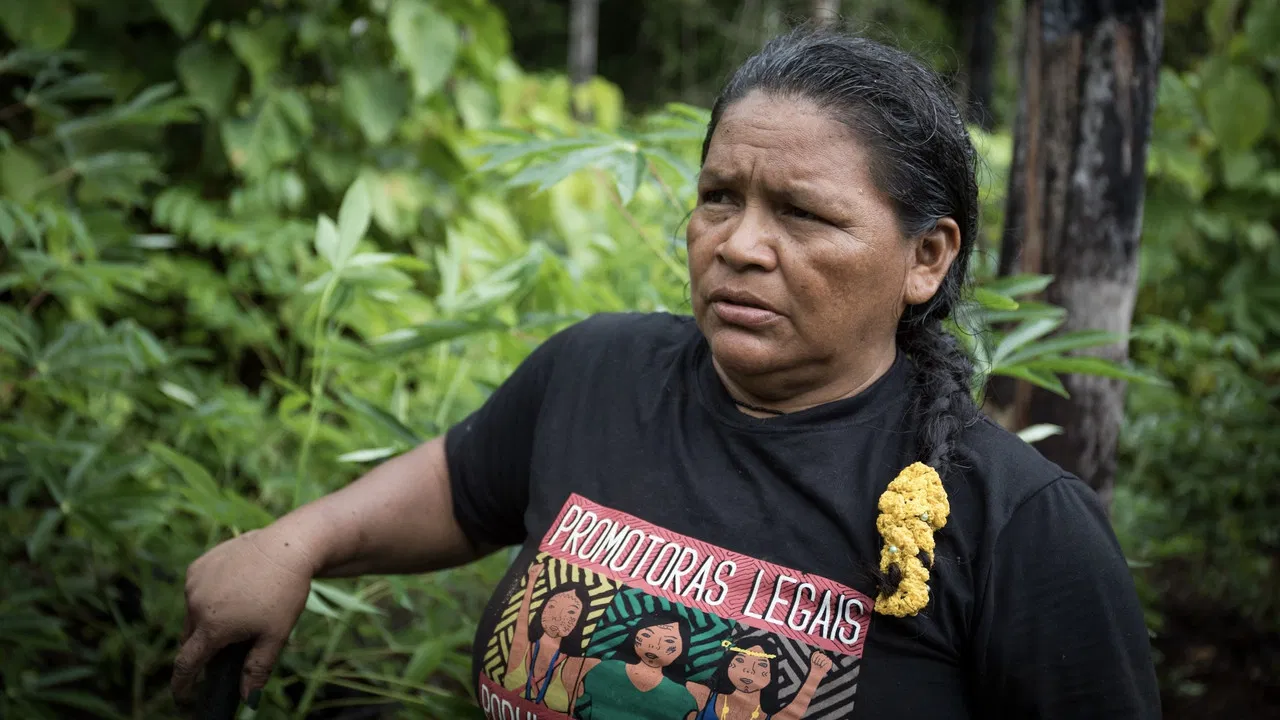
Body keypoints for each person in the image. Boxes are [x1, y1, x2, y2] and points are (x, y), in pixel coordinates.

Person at [172, 25, 1162, 720]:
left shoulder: (1014, 527)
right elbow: (462, 481)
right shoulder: (599, 372)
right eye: (718, 198)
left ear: (925, 257)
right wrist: (294, 544)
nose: (738, 245)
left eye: (803, 215)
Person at [569, 610, 699, 719]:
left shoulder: (684, 699)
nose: (655, 645)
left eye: (669, 641)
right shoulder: (603, 669)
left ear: (683, 648)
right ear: (635, 634)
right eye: (647, 634)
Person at [500, 562, 593, 712]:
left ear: (579, 622)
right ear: (541, 609)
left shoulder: (572, 665)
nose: (558, 616)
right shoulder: (524, 649)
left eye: (571, 612)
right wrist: (531, 581)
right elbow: (522, 617)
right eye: (552, 606)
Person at [688, 636, 833, 720]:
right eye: (740, 660)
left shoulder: (768, 716)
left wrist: (815, 674)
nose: (749, 670)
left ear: (772, 674)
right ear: (728, 664)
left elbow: (793, 714)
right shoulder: (705, 695)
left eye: (762, 664)